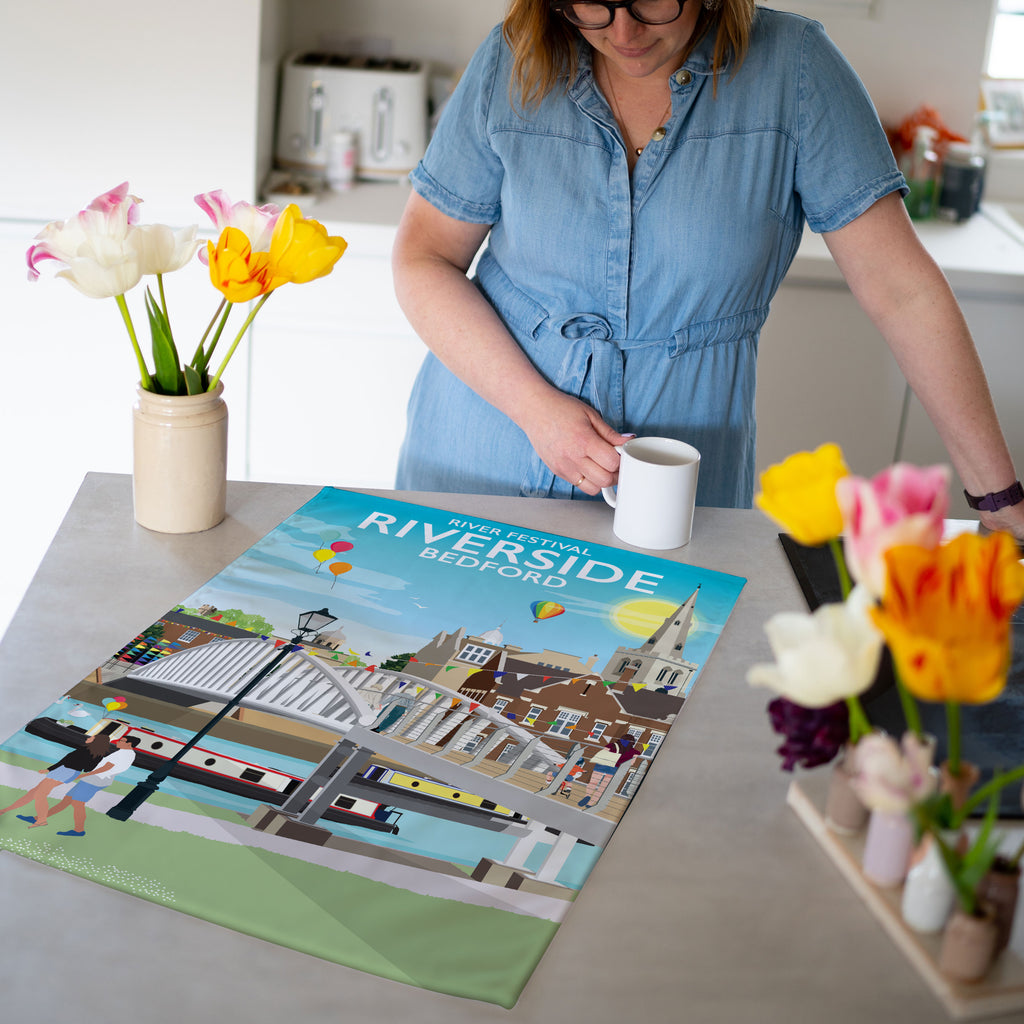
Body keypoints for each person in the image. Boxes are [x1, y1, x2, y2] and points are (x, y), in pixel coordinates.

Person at [392, 0, 1024, 541]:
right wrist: (534, 410)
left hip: (679, 492)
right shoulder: (514, 57)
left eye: (652, 2)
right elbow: (424, 257)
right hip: (480, 454)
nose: (624, 32)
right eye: (591, 3)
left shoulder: (795, 70)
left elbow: (903, 292)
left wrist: (1000, 501)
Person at [0, 733, 115, 828]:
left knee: (40, 793)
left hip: (66, 771)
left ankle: (42, 819)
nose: (88, 738)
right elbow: (85, 767)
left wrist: (50, 769)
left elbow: (66, 760)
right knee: (34, 792)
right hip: (66, 771)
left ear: (96, 741)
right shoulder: (97, 755)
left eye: (91, 738)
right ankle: (6, 810)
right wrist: (49, 769)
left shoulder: (86, 750)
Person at [39, 734, 140, 837]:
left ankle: (79, 830)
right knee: (67, 800)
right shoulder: (127, 754)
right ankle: (40, 818)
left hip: (96, 779)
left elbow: (106, 768)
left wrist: (85, 775)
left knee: (77, 803)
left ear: (129, 744)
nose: (118, 742)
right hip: (97, 779)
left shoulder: (123, 754)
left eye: (122, 741)